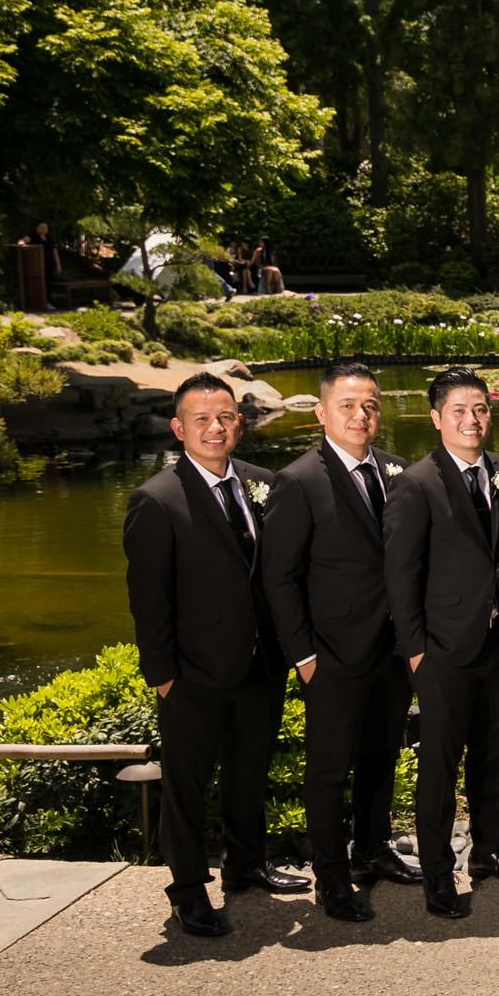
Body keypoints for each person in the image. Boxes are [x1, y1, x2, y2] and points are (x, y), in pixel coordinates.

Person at [123, 372, 308, 936]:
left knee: (248, 772)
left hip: (259, 666)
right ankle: (187, 891)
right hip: (193, 674)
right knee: (187, 785)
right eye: (201, 419)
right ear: (179, 428)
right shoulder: (155, 500)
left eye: (225, 417)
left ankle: (247, 866)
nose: (215, 428)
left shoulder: (262, 483)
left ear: (240, 423)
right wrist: (164, 677)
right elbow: (147, 600)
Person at [260, 361, 419, 923]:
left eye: (370, 405)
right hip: (330, 655)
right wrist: (303, 655)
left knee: (381, 756)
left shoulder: (399, 472)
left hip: (393, 651)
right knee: (328, 770)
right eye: (348, 405)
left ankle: (372, 850)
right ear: (322, 412)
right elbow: (279, 578)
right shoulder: (297, 481)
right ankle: (329, 877)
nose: (360, 415)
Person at [384, 367, 499, 920]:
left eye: (481, 410)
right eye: (459, 411)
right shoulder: (415, 483)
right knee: (440, 767)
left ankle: (490, 852)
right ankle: (438, 872)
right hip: (443, 650)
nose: (472, 421)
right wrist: (416, 649)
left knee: (491, 759)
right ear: (436, 418)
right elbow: (400, 576)